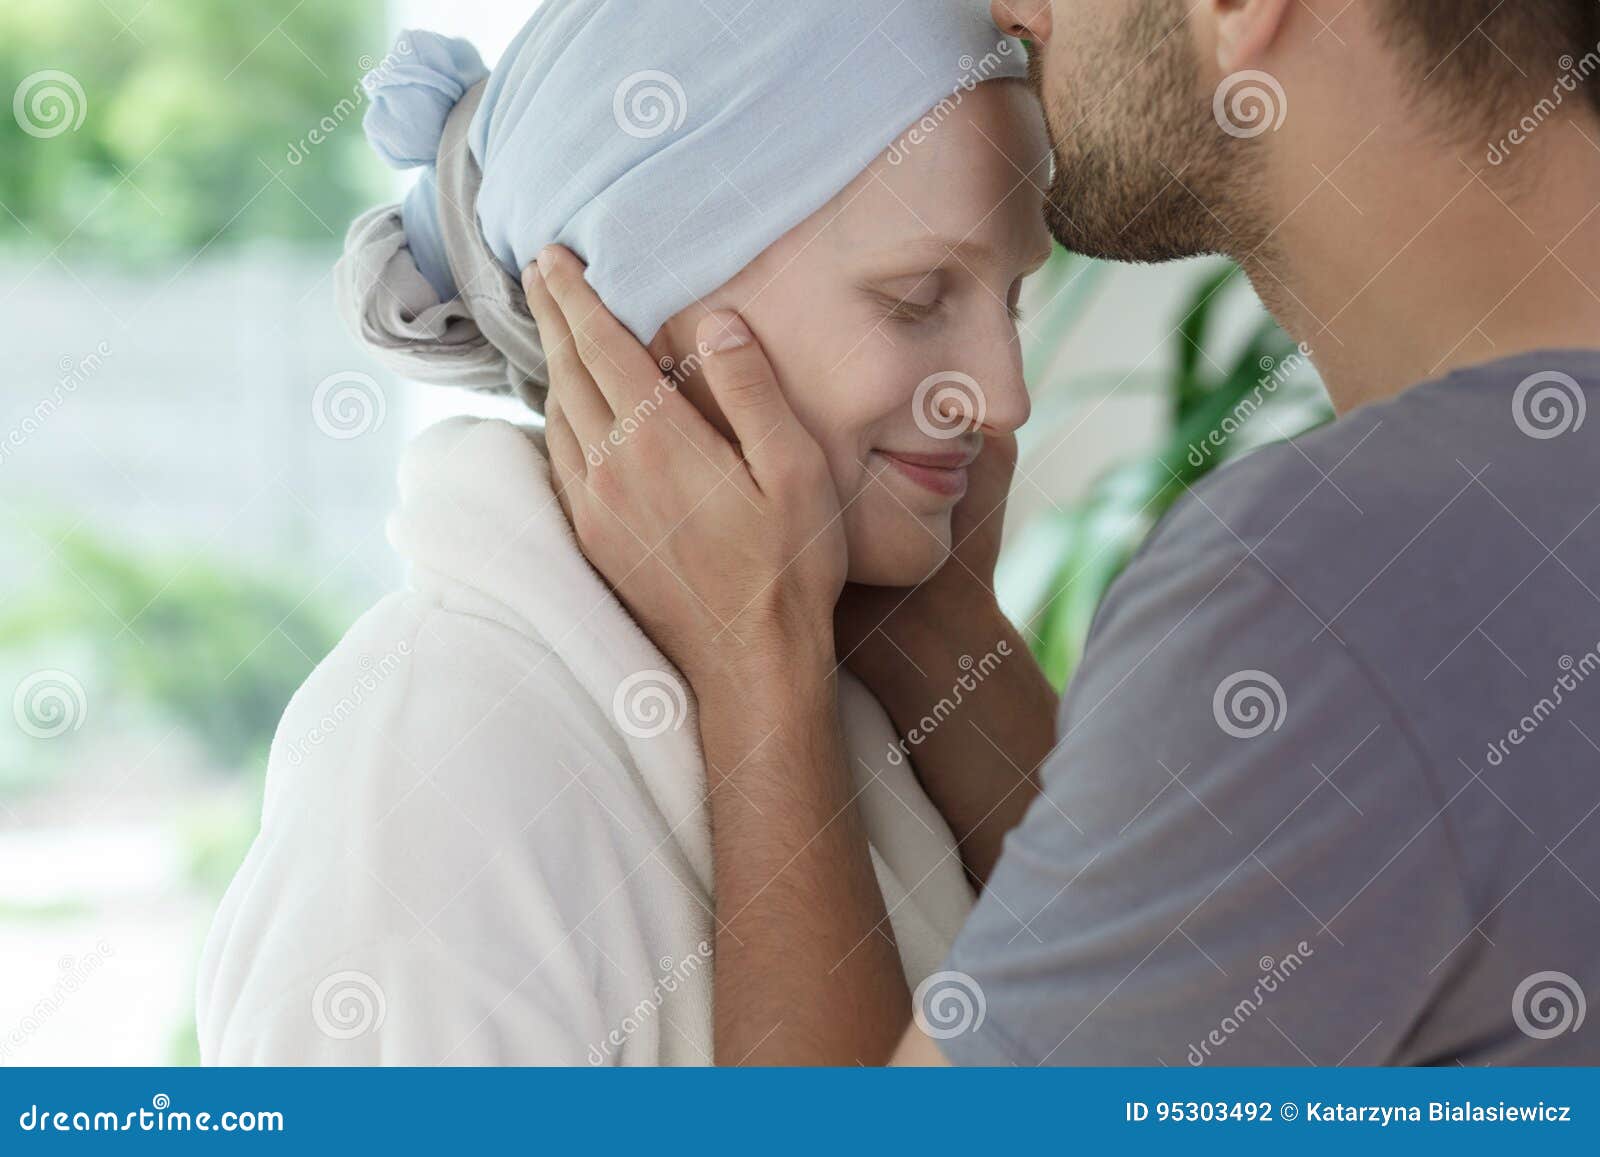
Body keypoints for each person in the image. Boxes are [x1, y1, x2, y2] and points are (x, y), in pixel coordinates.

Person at [527, 0, 1600, 1065]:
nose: (1014, 7)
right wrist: (936, 627)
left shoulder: (1338, 593)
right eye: (911, 296)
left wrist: (752, 643)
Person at [196, 0, 1051, 1064]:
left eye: (1012, 301)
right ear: (623, 322)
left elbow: (1198, 1031)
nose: (1004, 396)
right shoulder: (428, 790)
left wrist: (939, 627)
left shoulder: (867, 680)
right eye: (916, 298)